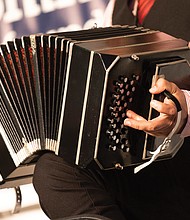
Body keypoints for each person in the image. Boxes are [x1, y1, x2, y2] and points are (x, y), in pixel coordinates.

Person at [33, 1, 190, 219]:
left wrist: (184, 110)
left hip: (183, 164)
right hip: (142, 171)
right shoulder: (116, 8)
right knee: (54, 170)